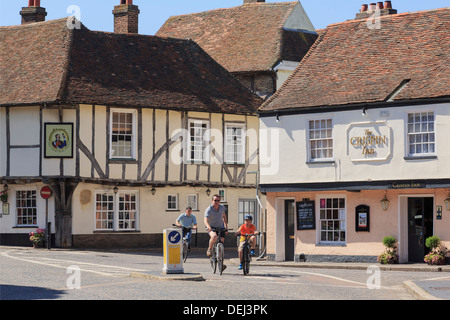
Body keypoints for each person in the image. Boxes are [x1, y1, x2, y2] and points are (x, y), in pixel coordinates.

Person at [204, 194, 228, 261]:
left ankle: (220, 261)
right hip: (211, 227)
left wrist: (226, 226)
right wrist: (208, 227)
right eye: (215, 200)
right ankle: (210, 249)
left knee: (221, 242)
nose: (216, 202)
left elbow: (224, 216)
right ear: (212, 200)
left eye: (218, 200)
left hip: (220, 227)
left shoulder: (222, 207)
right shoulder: (209, 209)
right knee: (214, 237)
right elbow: (205, 220)